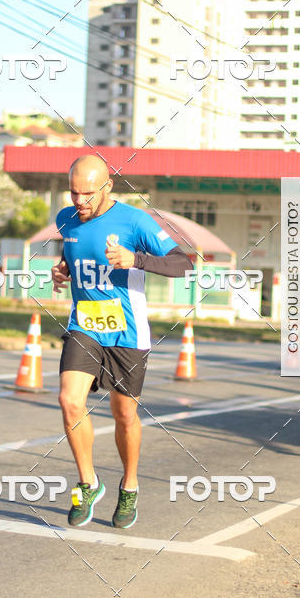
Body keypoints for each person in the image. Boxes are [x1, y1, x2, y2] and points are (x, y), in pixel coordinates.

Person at [52, 154, 191, 529]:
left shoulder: (135, 221)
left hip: (127, 331)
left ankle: (129, 485)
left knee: (124, 414)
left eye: (87, 194)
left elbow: (184, 264)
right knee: (69, 400)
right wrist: (62, 269)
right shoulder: (66, 219)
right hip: (84, 325)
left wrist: (136, 259)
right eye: (73, 192)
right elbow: (73, 249)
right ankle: (88, 482)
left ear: (107, 187)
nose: (79, 201)